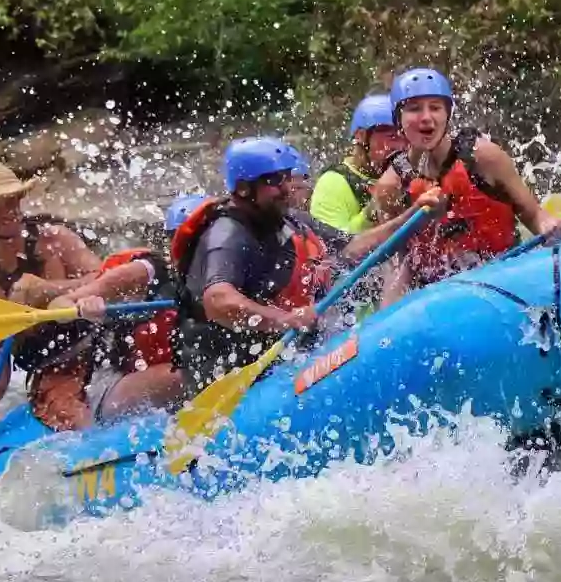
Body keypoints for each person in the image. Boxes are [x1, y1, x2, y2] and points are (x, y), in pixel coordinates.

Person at [170, 136, 445, 392]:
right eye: (275, 181)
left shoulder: (289, 221)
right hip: (235, 378)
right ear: (243, 188)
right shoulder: (226, 235)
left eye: (288, 178)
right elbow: (218, 300)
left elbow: (354, 248)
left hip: (287, 362)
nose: (287, 188)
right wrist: (285, 319)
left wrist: (414, 215)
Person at [375, 67, 561, 301]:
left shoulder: (483, 157)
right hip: (439, 299)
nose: (426, 117)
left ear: (448, 114)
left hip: (505, 280)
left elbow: (534, 215)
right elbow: (398, 263)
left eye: (435, 107)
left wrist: (548, 225)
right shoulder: (390, 186)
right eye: (414, 109)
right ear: (398, 119)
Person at [0, 161, 112, 432]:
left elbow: (109, 278)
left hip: (99, 344)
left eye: (12, 200)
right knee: (67, 413)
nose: (8, 211)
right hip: (54, 367)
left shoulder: (56, 240)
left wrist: (47, 289)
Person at [49, 193, 210, 419]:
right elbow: (59, 305)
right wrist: (83, 307)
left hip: (176, 376)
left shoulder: (225, 274)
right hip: (112, 384)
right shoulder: (146, 272)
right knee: (189, 374)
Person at [310, 93, 403, 233]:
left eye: (403, 136)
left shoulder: (410, 173)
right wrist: (373, 210)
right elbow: (334, 247)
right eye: (391, 137)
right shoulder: (332, 183)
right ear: (361, 136)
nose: (400, 146)